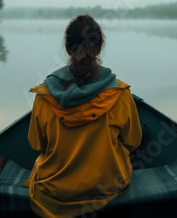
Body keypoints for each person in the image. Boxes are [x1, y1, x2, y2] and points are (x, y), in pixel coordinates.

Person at [23, 14, 142, 218]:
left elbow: (37, 145)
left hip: (55, 191)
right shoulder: (121, 94)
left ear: (68, 48)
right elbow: (132, 142)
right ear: (98, 48)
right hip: (107, 188)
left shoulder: (44, 95)